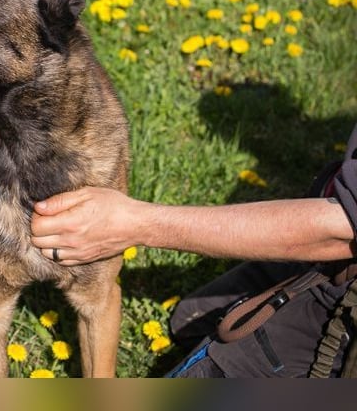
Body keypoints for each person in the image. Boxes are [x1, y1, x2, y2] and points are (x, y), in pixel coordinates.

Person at [30, 124, 357, 377]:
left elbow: (338, 229)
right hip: (328, 253)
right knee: (189, 319)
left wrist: (136, 224)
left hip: (342, 281)